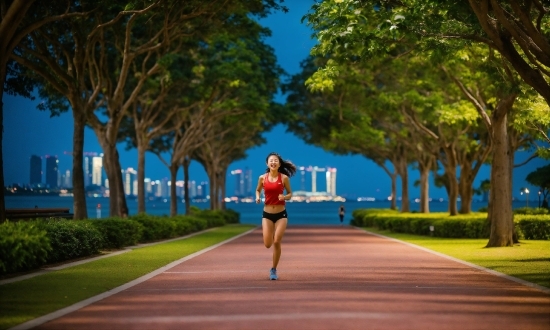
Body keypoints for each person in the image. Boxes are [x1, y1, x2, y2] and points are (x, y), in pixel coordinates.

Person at [256, 152, 296, 280]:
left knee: (277, 241)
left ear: (279, 164)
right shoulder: (262, 178)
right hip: (267, 214)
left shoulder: (284, 178)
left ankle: (273, 269)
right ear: (267, 163)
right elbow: (258, 189)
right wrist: (257, 197)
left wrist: (284, 197)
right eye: (271, 161)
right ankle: (270, 234)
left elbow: (290, 194)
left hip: (281, 214)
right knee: (268, 244)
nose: (273, 162)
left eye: (276, 161)